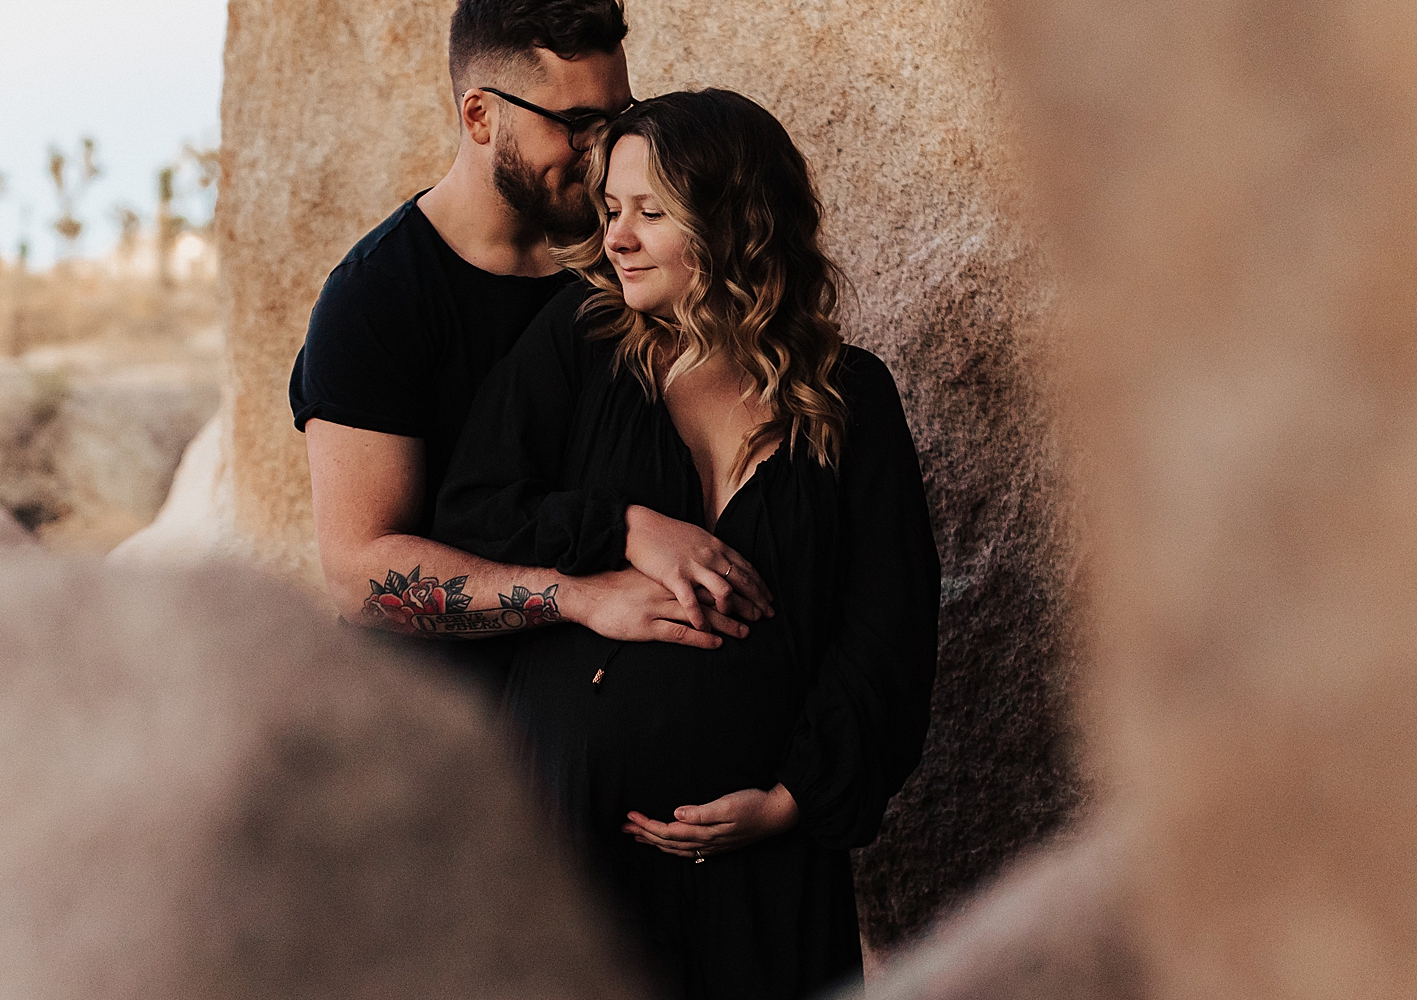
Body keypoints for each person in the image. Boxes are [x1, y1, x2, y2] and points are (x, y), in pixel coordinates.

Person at [432, 90, 941, 999]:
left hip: (767, 867)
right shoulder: (582, 345)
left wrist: (793, 800)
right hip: (577, 849)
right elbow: (474, 507)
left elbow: (889, 625)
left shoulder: (852, 400)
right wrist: (625, 528)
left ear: (737, 225)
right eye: (614, 208)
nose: (616, 237)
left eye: (651, 214)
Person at [288, 0, 768, 697]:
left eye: (617, 117)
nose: (601, 148)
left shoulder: (627, 264)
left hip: (607, 731)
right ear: (479, 115)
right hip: (448, 741)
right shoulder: (376, 298)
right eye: (576, 124)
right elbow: (362, 578)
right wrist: (581, 593)